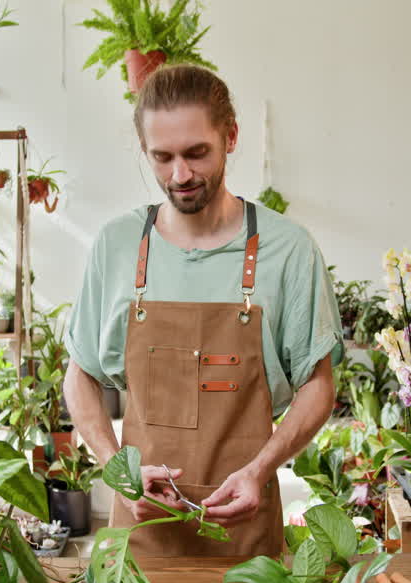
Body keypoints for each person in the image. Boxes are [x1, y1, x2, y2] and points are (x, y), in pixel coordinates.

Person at [63, 65, 342, 557]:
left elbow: (317, 384)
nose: (180, 175)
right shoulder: (117, 245)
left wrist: (261, 469)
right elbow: (80, 376)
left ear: (230, 135)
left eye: (196, 153)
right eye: (162, 157)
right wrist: (116, 468)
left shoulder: (288, 249)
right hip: (140, 541)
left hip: (246, 541)